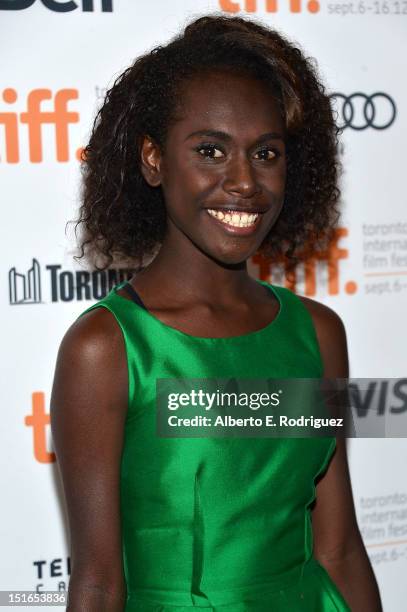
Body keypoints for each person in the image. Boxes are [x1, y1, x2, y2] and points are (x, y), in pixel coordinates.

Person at [50, 14, 382, 612]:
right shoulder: (106, 347)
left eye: (266, 152)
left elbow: (339, 550)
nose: (245, 183)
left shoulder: (319, 334)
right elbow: (98, 584)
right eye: (210, 150)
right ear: (153, 160)